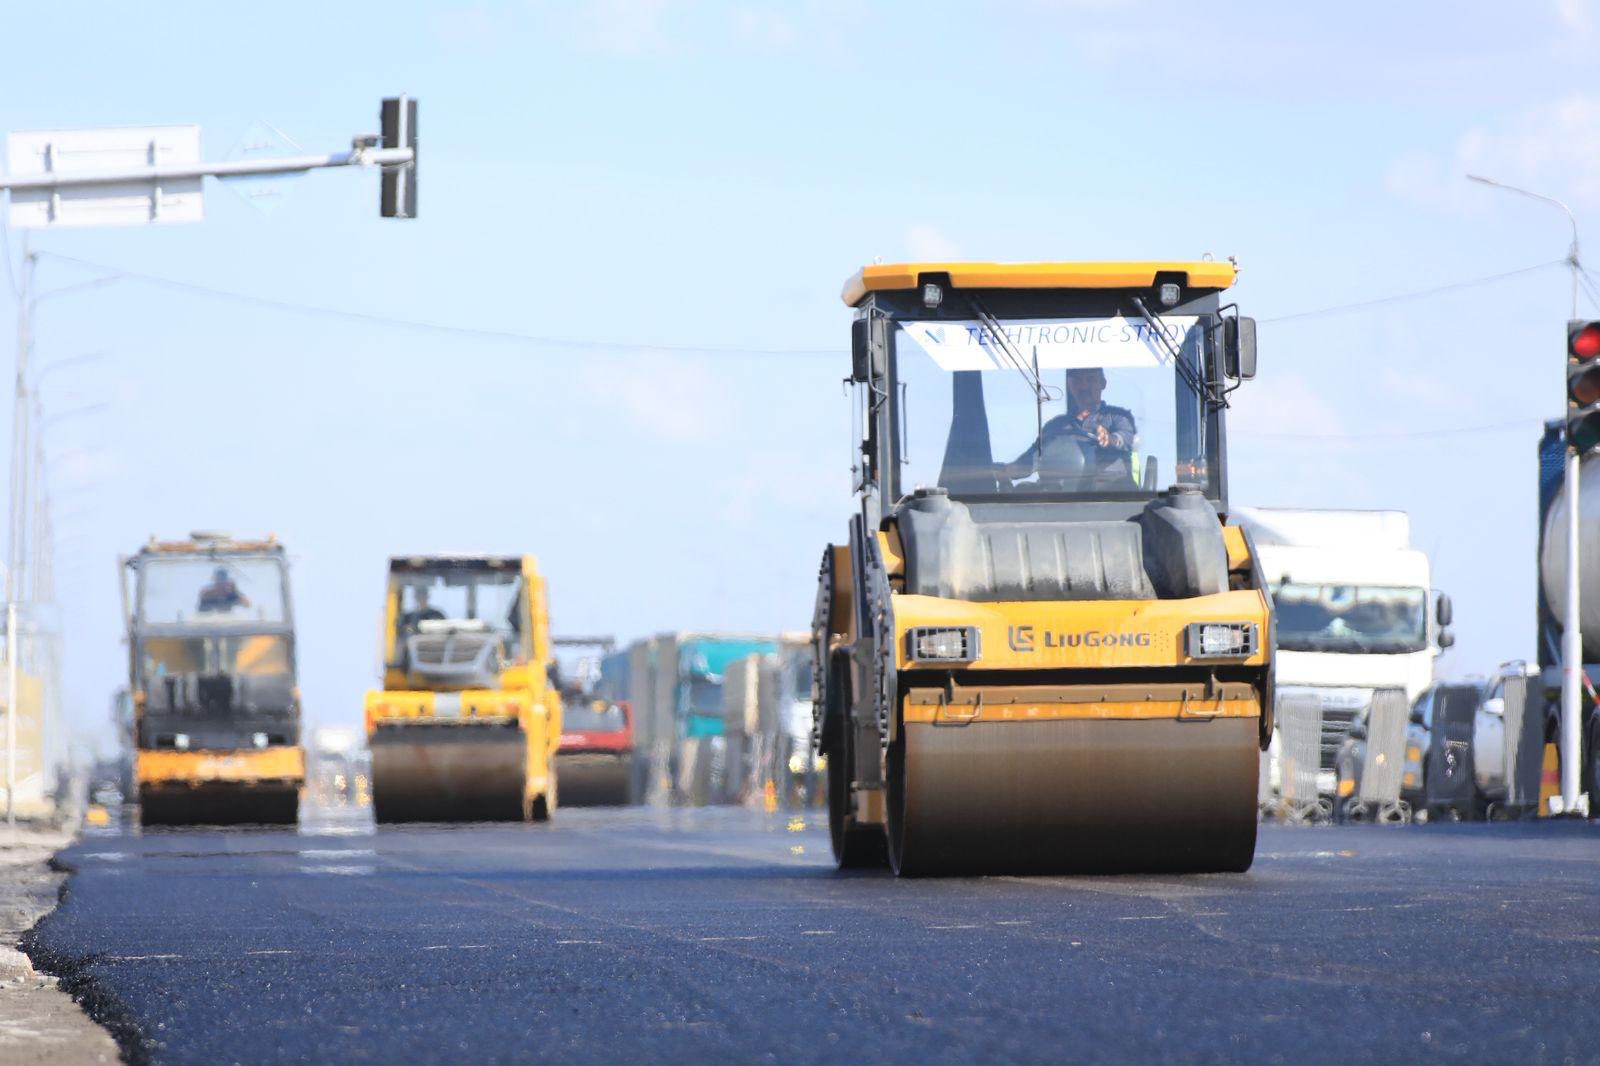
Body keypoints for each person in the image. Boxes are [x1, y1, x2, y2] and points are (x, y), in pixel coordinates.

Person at [999, 366, 1138, 482]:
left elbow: (1124, 438)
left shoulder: (1119, 417)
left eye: (1090, 379)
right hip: (1058, 502)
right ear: (1069, 385)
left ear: (1103, 383)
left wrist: (1109, 439)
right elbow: (1032, 459)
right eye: (1076, 380)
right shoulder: (1055, 426)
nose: (1083, 386)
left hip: (1112, 498)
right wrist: (1004, 471)